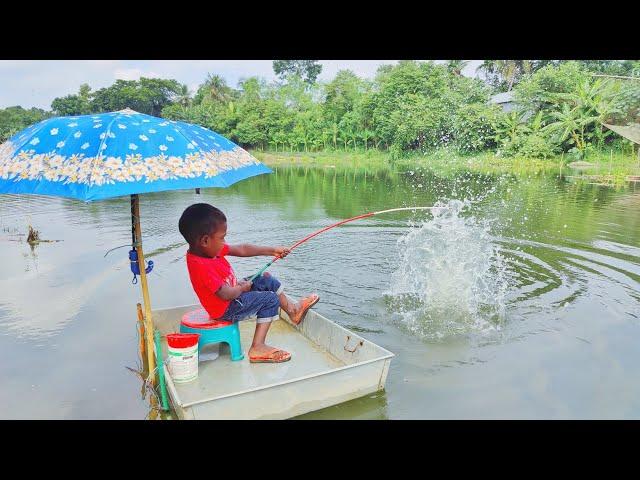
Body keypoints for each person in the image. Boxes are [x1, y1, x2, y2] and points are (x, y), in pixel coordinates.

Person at [178, 203, 320, 363]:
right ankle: (258, 347)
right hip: (226, 308)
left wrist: (272, 250)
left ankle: (293, 311)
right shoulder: (200, 265)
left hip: (233, 294)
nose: (224, 241)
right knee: (270, 299)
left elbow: (243, 249)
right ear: (205, 240)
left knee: (266, 278)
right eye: (222, 237)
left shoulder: (210, 249)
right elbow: (225, 295)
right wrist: (241, 287)